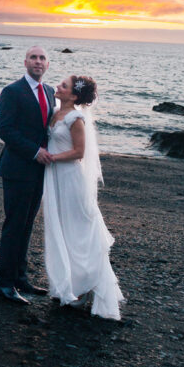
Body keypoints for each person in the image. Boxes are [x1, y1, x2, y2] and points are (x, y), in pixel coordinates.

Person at [43, 74, 124, 320]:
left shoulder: (76, 118)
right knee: (62, 230)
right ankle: (66, 283)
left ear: (74, 96)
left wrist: (51, 158)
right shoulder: (54, 112)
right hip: (55, 177)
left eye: (63, 85)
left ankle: (84, 287)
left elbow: (79, 152)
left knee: (77, 232)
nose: (58, 86)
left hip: (70, 179)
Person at [0, 44, 55, 304]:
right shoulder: (12, 91)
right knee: (14, 226)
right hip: (18, 168)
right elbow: (4, 129)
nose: (38, 62)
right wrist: (34, 151)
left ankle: (21, 278)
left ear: (47, 64)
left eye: (42, 58)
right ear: (25, 62)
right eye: (33, 57)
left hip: (40, 171)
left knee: (27, 225)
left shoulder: (50, 92)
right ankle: (4, 284)